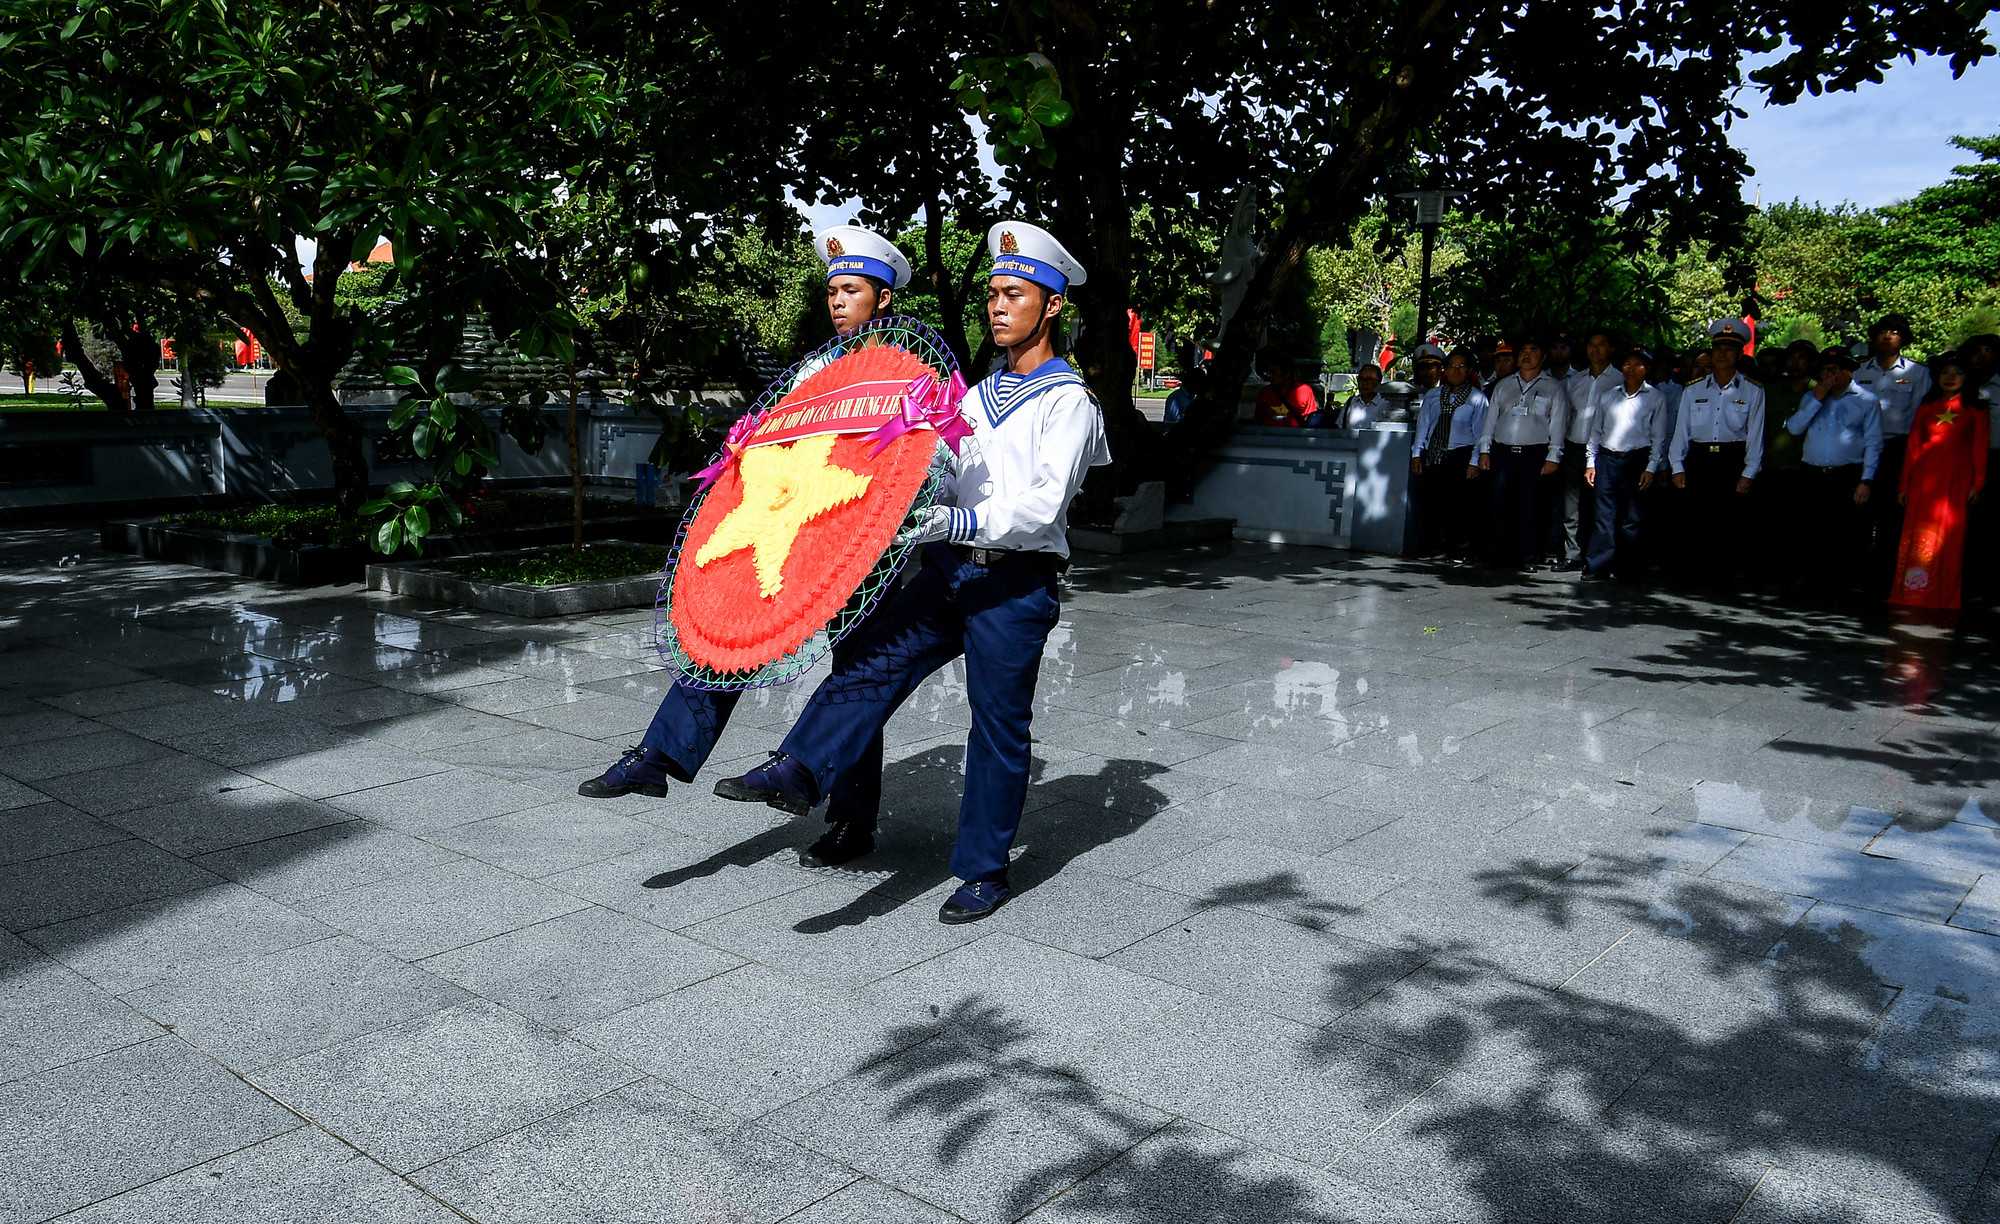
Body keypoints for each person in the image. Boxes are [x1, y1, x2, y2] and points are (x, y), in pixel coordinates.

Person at [716, 221, 1110, 924]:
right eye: (992, 294)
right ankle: (800, 766)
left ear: (1052, 307)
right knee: (868, 660)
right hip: (948, 569)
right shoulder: (976, 395)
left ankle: (984, 871)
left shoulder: (1068, 403)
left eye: (1015, 295)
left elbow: (1041, 509)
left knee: (996, 730)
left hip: (1014, 587)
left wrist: (949, 520)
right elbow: (947, 474)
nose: (997, 307)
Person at [573, 225, 910, 866]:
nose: (838, 301)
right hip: (786, 530)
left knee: (855, 679)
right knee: (732, 634)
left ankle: (850, 822)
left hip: (860, 546)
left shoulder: (906, 375)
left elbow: (917, 460)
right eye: (833, 290)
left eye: (853, 290)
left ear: (883, 301)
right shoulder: (815, 373)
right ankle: (660, 754)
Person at [1889, 352, 1989, 610]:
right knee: (1917, 536)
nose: (1951, 377)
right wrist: (1904, 484)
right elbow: (1913, 447)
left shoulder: (1976, 410)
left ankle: (1941, 595)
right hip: (1923, 481)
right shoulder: (1926, 407)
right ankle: (1912, 591)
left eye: (1958, 373)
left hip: (1955, 483)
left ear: (1967, 378)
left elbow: (1980, 449)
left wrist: (1977, 484)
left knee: (1949, 536)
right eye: (1945, 372)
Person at [1669, 319, 1765, 585]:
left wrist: (1749, 472)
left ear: (1739, 354)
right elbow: (1681, 431)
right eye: (1718, 348)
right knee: (1695, 516)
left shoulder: (1753, 390)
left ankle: (1720, 576)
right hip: (1699, 458)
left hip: (1731, 459)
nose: (1722, 354)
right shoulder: (1694, 389)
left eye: (1729, 349)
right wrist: (1677, 465)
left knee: (1727, 519)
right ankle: (1692, 573)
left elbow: (1755, 435)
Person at [1782, 348, 1883, 596]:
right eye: (1826, 370)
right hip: (1813, 474)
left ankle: (1840, 585)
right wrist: (1816, 398)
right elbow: (1794, 429)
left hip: (1846, 474)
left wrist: (1866, 480)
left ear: (1849, 371)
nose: (1831, 374)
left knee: (1844, 533)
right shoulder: (1812, 397)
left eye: (1837, 369)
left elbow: (1874, 442)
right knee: (1810, 529)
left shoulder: (1866, 400)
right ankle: (1809, 580)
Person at [1853, 315, 1934, 588]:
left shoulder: (1918, 373)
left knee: (1892, 514)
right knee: (1860, 510)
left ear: (1904, 339)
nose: (1888, 336)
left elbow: (1921, 415)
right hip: (1863, 447)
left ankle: (1886, 576)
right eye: (1882, 331)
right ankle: (1858, 572)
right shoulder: (1858, 372)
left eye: (1895, 332)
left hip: (1898, 447)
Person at [1479, 336, 1567, 570]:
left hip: (1534, 454)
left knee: (1530, 507)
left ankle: (1527, 557)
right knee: (1501, 505)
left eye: (1533, 350)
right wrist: (1484, 450)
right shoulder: (1504, 385)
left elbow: (1558, 425)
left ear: (1543, 356)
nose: (1526, 355)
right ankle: (1500, 555)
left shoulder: (1553, 388)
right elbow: (1490, 421)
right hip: (1503, 452)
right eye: (1522, 351)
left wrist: (1553, 457)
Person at [1582, 347, 1668, 582]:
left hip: (1636, 460)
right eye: (1627, 364)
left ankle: (1629, 568)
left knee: (1632, 518)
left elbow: (1659, 437)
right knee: (1603, 516)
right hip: (1608, 459)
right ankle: (1598, 566)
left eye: (1638, 364)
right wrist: (1591, 462)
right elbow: (1596, 432)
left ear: (1647, 369)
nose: (1631, 369)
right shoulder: (1608, 395)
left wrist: (1651, 467)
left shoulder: (1655, 397)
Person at [1408, 348, 1488, 560]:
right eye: (1452, 366)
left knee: (1460, 505)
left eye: (1461, 367)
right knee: (1433, 502)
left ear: (1469, 370)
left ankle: (1459, 549)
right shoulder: (1434, 395)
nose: (1456, 370)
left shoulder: (1477, 398)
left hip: (1461, 454)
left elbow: (1481, 432)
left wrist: (1474, 461)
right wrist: (1417, 453)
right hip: (1435, 454)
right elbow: (1424, 426)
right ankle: (1432, 546)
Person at [1556, 328, 1622, 571]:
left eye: (1601, 344)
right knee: (1571, 506)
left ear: (1611, 349)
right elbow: (1564, 417)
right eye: (1591, 344)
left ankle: (1597, 557)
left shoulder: (1619, 380)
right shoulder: (1575, 381)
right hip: (1574, 447)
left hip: (1604, 451)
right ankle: (1572, 555)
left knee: (1600, 506)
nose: (1595, 349)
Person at [1254, 351, 1318, 426]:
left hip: (1296, 435)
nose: (1270, 376)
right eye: (1269, 372)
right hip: (1269, 435)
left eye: (1273, 372)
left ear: (1287, 373)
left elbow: (1310, 419)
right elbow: (1258, 418)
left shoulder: (1305, 390)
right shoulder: (1265, 392)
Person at [1323, 363, 1386, 428]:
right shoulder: (1351, 402)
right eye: (1361, 379)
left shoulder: (1384, 405)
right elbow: (1340, 426)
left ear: (1378, 382)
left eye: (1369, 380)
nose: (1364, 383)